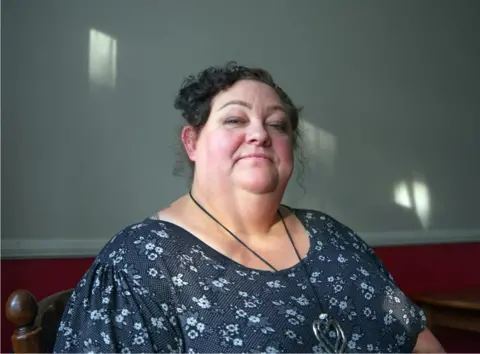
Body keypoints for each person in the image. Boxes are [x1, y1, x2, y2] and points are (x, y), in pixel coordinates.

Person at [54, 62, 444, 353]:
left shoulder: (333, 236)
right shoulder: (137, 266)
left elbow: (417, 340)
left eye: (277, 125)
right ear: (192, 142)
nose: (259, 133)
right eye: (235, 119)